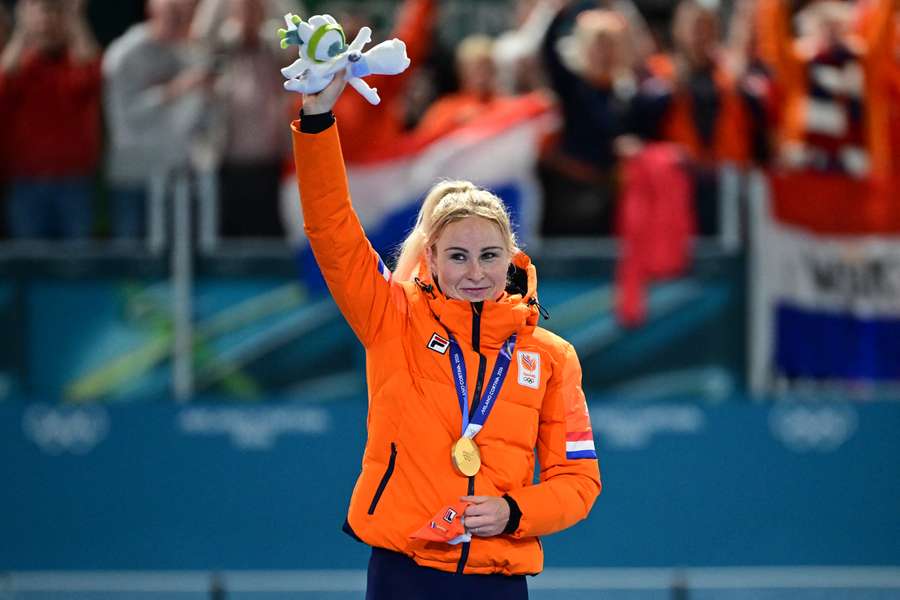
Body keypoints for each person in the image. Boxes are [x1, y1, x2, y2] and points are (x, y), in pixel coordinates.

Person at [291, 72, 601, 598]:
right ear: (431, 258)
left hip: (498, 577)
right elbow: (332, 229)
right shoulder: (392, 317)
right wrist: (317, 120)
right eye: (458, 256)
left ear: (511, 259)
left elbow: (579, 480)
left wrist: (512, 511)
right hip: (404, 571)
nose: (475, 272)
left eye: (489, 255)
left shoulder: (551, 357)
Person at [102, 0, 211, 240]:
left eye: (184, 15)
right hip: (133, 178)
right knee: (131, 257)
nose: (179, 21)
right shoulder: (124, 54)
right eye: (172, 14)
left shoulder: (190, 54)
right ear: (151, 10)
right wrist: (172, 90)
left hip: (175, 178)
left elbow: (197, 120)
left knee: (178, 256)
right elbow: (124, 119)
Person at [0, 0, 101, 240]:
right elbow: (4, 82)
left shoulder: (75, 62)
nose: (48, 21)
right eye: (43, 13)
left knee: (78, 258)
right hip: (26, 182)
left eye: (56, 13)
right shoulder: (20, 64)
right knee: (28, 258)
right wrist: (23, 29)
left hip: (74, 181)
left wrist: (75, 19)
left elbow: (91, 76)